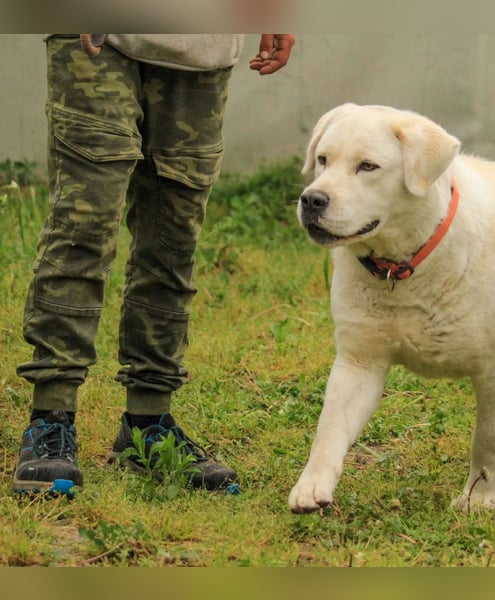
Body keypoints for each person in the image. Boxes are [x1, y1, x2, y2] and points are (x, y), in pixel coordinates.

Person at [12, 34, 295, 495]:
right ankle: (51, 418)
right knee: (84, 225)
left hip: (202, 41)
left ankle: (147, 425)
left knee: (173, 238)